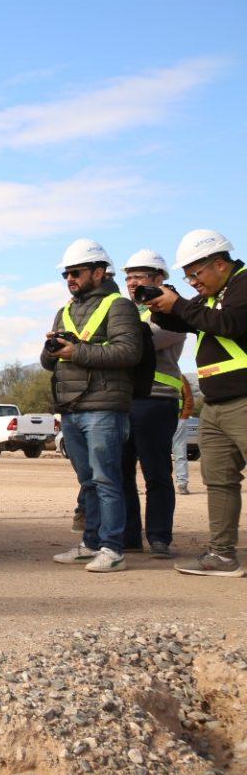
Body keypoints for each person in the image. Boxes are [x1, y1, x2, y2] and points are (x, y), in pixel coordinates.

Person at [145, 229, 247, 577]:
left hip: (244, 401)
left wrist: (181, 305)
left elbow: (230, 324)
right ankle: (221, 555)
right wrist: (160, 309)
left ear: (220, 264)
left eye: (195, 273)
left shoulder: (243, 286)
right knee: (218, 480)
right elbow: (192, 320)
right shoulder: (211, 297)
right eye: (186, 276)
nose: (191, 282)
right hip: (215, 406)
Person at [42, 238, 144, 574]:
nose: (70, 278)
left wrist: (76, 351)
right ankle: (90, 543)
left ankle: (113, 548)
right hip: (71, 409)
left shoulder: (119, 306)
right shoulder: (65, 311)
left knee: (106, 479)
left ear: (99, 272)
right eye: (66, 274)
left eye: (77, 272)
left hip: (104, 408)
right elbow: (49, 363)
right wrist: (51, 349)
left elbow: (128, 353)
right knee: (88, 481)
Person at [121, 249, 184, 559]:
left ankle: (159, 537)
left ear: (160, 279)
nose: (132, 283)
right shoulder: (129, 313)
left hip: (157, 401)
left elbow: (139, 345)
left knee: (156, 471)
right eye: (129, 277)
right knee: (121, 472)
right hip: (125, 400)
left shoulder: (172, 311)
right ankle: (129, 536)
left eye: (140, 277)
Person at [174, 379, 195, 494]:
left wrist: (184, 416)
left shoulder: (180, 377)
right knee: (179, 453)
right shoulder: (179, 376)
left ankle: (182, 484)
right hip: (161, 420)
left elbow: (189, 398)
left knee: (180, 452)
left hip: (178, 421)